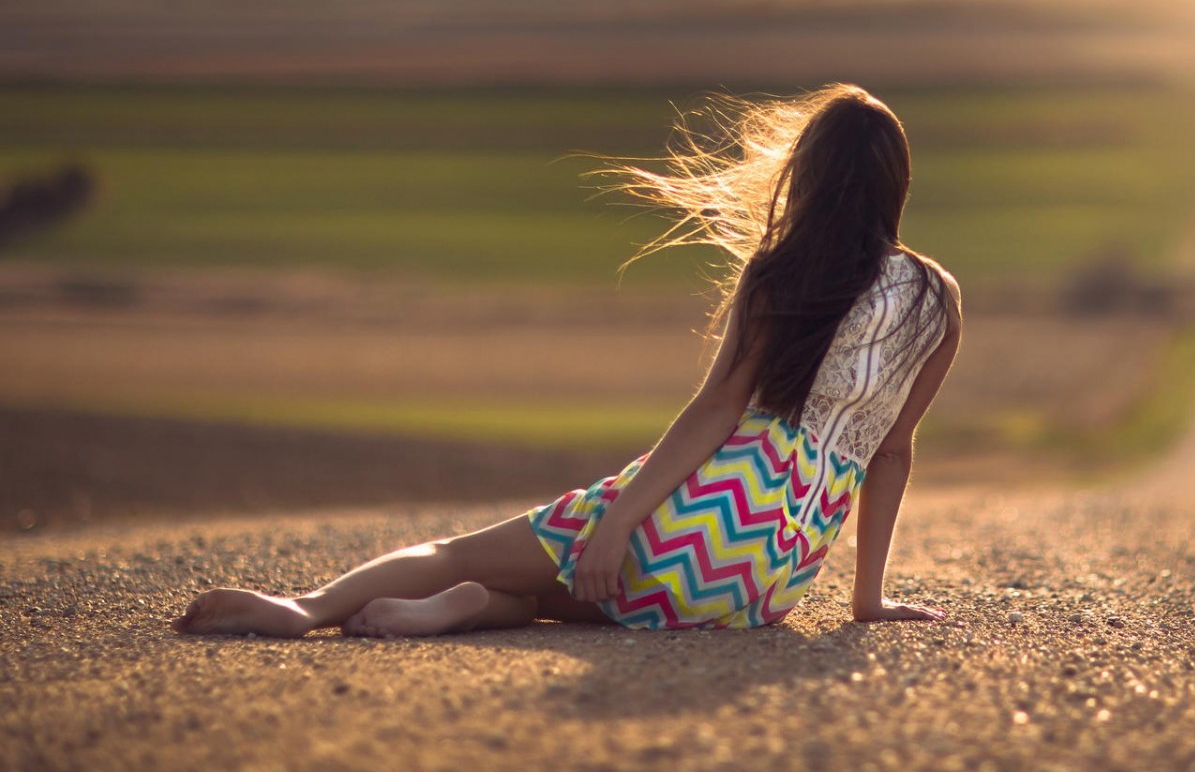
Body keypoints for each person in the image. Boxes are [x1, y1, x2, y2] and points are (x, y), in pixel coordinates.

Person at [171, 83, 962, 637]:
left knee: (469, 553)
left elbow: (717, 414)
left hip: (701, 509)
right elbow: (891, 451)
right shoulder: (937, 298)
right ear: (898, 183)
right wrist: (868, 599)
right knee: (554, 598)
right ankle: (473, 606)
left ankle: (309, 609)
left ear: (811, 175)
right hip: (762, 579)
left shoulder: (779, 270)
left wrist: (620, 520)